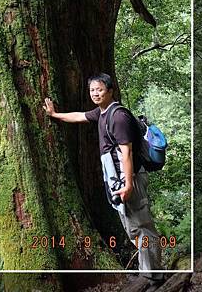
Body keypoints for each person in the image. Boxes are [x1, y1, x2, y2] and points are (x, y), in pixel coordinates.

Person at [43, 72, 164, 283]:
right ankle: (151, 272)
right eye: (92, 90)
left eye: (100, 89)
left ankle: (154, 276)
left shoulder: (118, 117)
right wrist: (55, 115)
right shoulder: (102, 113)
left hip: (131, 178)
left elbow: (126, 153)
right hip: (121, 179)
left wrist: (128, 185)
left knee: (142, 226)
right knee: (134, 227)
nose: (95, 94)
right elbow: (80, 116)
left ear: (110, 90)